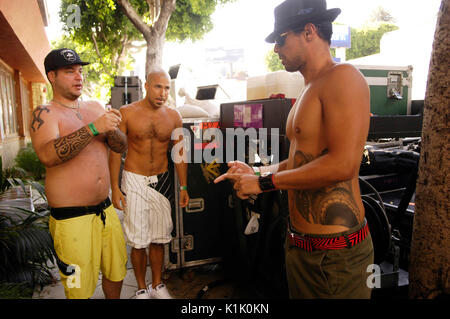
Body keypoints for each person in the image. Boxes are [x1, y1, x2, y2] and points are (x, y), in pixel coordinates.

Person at [215, 0, 374, 299]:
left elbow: (343, 165)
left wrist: (264, 183)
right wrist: (259, 171)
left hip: (336, 257)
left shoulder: (343, 78)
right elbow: (306, 161)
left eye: (281, 38)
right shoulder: (308, 88)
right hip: (301, 250)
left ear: (310, 31)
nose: (276, 48)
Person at [30, 48, 128, 299]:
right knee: (79, 289)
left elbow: (120, 146)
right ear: (52, 76)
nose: (78, 77)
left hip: (106, 211)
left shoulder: (94, 106)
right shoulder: (45, 113)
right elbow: (48, 155)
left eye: (80, 71)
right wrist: (95, 127)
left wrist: (113, 127)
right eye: (69, 71)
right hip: (71, 221)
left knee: (116, 273)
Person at [109, 68, 189, 299]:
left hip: (162, 181)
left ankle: (157, 284)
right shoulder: (127, 113)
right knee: (138, 239)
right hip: (134, 179)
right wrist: (115, 188)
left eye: (166, 88)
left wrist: (183, 187)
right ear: (146, 86)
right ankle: (142, 288)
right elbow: (115, 153)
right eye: (157, 86)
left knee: (159, 237)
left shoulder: (174, 116)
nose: (162, 93)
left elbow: (180, 153)